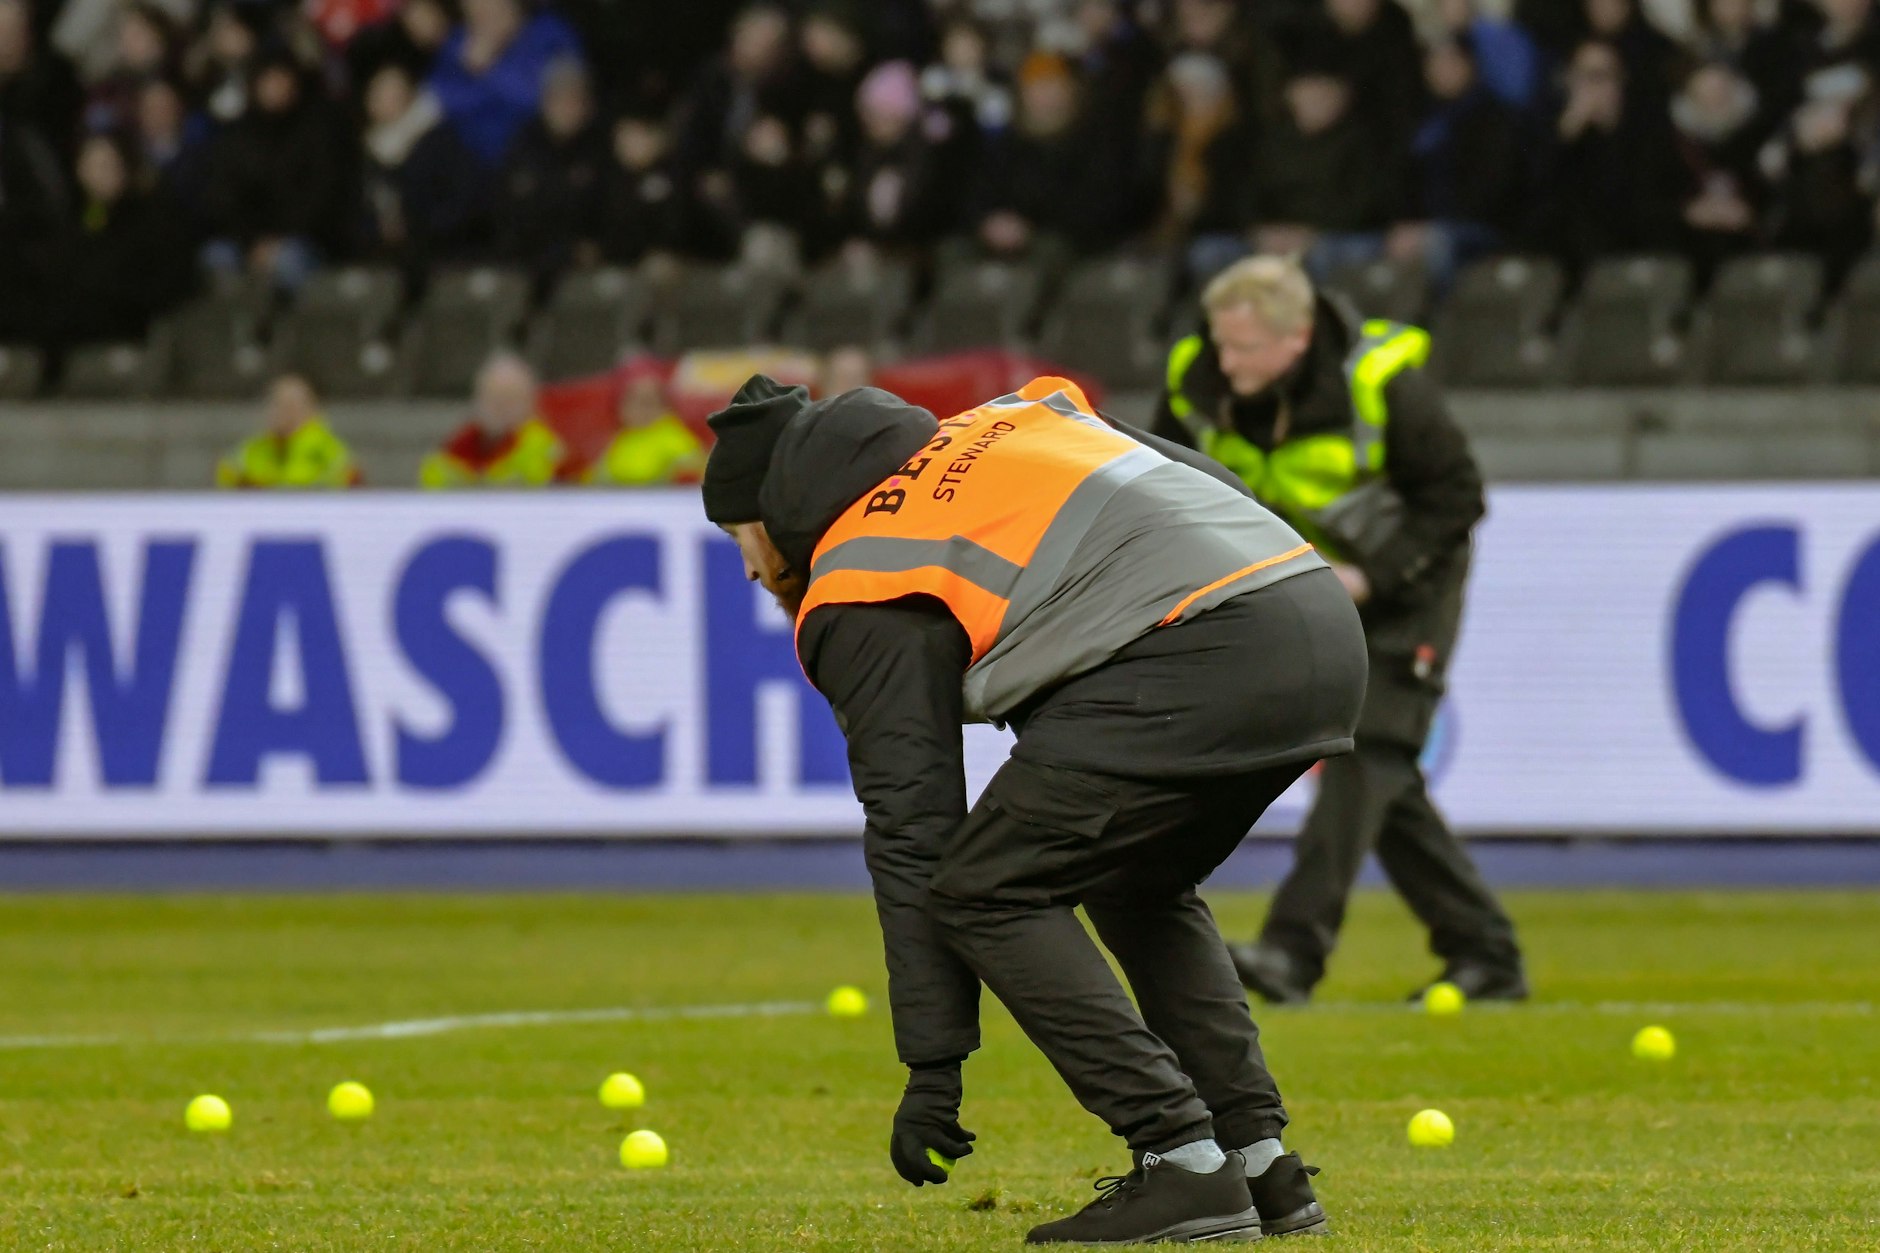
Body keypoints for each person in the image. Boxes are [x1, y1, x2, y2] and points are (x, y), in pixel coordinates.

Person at [702, 371, 1367, 1243]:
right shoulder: (1015, 415)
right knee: (1136, 879)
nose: (749, 568)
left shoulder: (863, 575)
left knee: (984, 886)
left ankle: (1181, 1157)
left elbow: (914, 827)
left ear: (778, 512)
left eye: (739, 538)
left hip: (1201, 647)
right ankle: (1258, 1160)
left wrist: (934, 1064)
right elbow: (1211, 485)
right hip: (1307, 610)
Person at [1152, 254, 1527, 1005]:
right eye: (1221, 345)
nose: (1225, 363)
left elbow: (1458, 498)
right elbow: (1162, 485)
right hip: (1310, 590)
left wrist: (1373, 577)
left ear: (1296, 340)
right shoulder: (1196, 382)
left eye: (1244, 349)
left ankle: (1294, 950)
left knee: (1365, 753)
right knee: (1384, 778)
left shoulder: (1384, 386)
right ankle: (1484, 953)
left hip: (1407, 587)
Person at [419, 352, 568, 487]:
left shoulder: (551, 456)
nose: (502, 408)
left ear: (530, 404)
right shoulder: (452, 452)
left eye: (511, 399)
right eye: (494, 398)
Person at [215, 374, 360, 488]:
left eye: (293, 404)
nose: (286, 412)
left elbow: (350, 487)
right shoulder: (252, 450)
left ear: (311, 408)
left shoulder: (331, 450)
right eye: (279, 403)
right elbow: (226, 479)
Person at [583, 366, 706, 486]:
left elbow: (698, 466)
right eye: (634, 402)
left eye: (650, 403)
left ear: (667, 407)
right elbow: (599, 475)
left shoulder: (672, 435)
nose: (642, 410)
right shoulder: (621, 438)